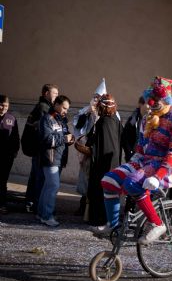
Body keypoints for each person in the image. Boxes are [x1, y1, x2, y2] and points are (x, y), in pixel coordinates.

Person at [95, 76, 172, 245]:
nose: (155, 102)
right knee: (108, 180)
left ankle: (157, 224)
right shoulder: (147, 118)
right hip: (145, 161)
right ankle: (114, 226)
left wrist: (158, 176)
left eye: (159, 98)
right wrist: (130, 165)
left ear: (167, 99)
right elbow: (140, 148)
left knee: (131, 183)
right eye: (153, 98)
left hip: (168, 167)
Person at [37, 95, 74, 227]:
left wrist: (71, 139)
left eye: (67, 109)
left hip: (58, 158)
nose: (66, 111)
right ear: (56, 104)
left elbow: (64, 136)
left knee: (48, 186)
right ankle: (47, 216)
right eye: (64, 108)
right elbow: (46, 139)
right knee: (53, 186)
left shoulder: (61, 119)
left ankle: (41, 213)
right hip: (50, 158)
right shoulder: (47, 119)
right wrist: (64, 139)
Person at [86, 94, 123, 227]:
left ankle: (98, 219)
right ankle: (110, 219)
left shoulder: (101, 122)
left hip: (101, 164)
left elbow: (91, 141)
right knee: (111, 191)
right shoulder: (117, 121)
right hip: (113, 164)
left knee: (99, 191)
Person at [22, 84, 59, 213]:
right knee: (38, 176)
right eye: (54, 93)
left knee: (35, 175)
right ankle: (34, 203)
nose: (56, 96)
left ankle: (30, 201)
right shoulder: (44, 107)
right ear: (46, 94)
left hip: (38, 148)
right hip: (40, 148)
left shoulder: (44, 106)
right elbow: (45, 129)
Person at [73, 78, 107, 217]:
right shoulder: (87, 110)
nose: (97, 101)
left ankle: (93, 207)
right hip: (87, 150)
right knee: (85, 178)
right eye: (95, 98)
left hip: (99, 151)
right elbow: (79, 125)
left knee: (97, 180)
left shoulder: (107, 113)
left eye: (100, 98)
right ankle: (83, 205)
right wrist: (89, 112)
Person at [0, 95, 20, 214]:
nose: (3, 108)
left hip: (6, 156)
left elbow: (15, 137)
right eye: (1, 105)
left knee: (2, 181)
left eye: (6, 105)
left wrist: (15, 151)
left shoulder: (11, 118)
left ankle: (2, 204)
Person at [122, 96, 149, 162]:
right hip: (134, 154)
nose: (149, 107)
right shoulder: (133, 119)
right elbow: (126, 137)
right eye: (148, 104)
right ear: (140, 105)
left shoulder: (153, 119)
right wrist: (129, 153)